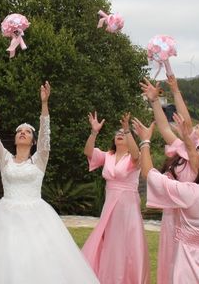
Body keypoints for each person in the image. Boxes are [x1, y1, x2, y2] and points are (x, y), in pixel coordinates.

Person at [0, 82, 100, 284]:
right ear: (15, 139)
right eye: (19, 131)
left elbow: (45, 135)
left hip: (37, 215)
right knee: (7, 258)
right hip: (5, 216)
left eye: (27, 132)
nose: (22, 132)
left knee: (39, 259)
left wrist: (44, 103)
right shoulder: (4, 158)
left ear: (33, 142)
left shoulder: (39, 160)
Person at [133, 114, 199, 284]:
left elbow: (148, 174)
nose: (196, 150)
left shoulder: (191, 193)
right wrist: (188, 139)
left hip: (190, 264)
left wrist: (145, 142)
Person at [140, 77, 199, 284]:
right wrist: (155, 102)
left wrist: (176, 91)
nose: (191, 127)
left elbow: (184, 121)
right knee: (169, 261)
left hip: (189, 216)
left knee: (185, 264)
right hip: (172, 213)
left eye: (197, 128)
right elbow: (164, 127)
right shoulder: (182, 150)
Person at [81, 111, 149, 283]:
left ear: (129, 138)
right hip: (110, 205)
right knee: (110, 242)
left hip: (128, 207)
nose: (119, 135)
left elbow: (135, 155)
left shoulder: (135, 158)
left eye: (123, 134)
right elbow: (88, 152)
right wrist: (94, 132)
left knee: (126, 243)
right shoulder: (108, 156)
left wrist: (127, 129)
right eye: (117, 133)